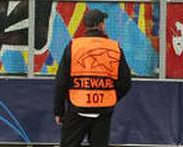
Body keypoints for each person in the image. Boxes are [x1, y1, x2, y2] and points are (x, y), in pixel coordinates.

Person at [54, 9, 132, 147]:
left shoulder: (74, 46)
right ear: (101, 25)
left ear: (86, 25)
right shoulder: (114, 47)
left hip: (77, 106)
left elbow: (61, 82)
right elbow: (125, 82)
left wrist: (59, 111)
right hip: (103, 110)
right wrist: (110, 97)